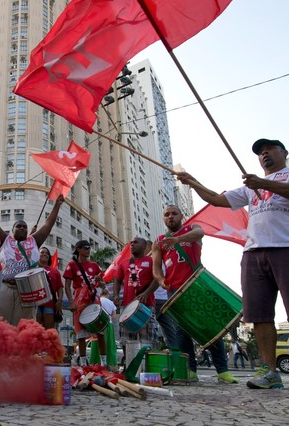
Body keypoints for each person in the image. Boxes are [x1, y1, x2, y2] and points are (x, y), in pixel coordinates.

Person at [176, 138, 288, 389]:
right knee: (259, 315)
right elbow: (217, 200)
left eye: (269, 149)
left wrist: (263, 183)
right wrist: (193, 183)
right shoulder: (250, 188)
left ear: (284, 152)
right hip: (254, 253)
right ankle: (271, 372)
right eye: (260, 152)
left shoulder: (283, 176)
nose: (264, 154)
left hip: (285, 248)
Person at [152, 205, 237, 384]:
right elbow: (156, 266)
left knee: (210, 327)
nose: (170, 217)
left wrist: (177, 239)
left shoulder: (192, 229)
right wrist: (160, 280)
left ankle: (223, 371)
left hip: (197, 285)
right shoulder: (159, 240)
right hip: (174, 291)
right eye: (166, 214)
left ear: (181, 216)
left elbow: (200, 233)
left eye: (174, 214)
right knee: (181, 331)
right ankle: (190, 370)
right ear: (163, 219)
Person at [0, 195, 64, 326]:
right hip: (5, 287)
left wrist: (57, 206)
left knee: (21, 326)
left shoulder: (34, 241)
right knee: (1, 323)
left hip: (26, 291)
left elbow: (48, 225)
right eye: (19, 226)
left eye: (24, 227)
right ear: (12, 230)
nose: (22, 228)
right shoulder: (5, 240)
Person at [64, 239, 105, 366]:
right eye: (86, 247)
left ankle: (104, 363)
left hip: (93, 298)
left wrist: (100, 281)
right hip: (79, 299)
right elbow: (67, 285)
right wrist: (71, 302)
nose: (88, 250)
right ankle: (83, 364)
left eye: (89, 247)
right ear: (78, 249)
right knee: (80, 333)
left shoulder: (95, 265)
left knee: (100, 330)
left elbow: (103, 285)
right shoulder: (72, 264)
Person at [113, 237, 159, 352]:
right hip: (127, 306)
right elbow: (117, 280)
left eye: (136, 243)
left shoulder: (151, 261)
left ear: (144, 246)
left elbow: (157, 279)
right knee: (127, 340)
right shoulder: (124, 263)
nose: (132, 245)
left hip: (146, 306)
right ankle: (129, 365)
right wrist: (116, 295)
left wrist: (146, 293)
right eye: (131, 243)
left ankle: (146, 367)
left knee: (147, 339)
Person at [35, 247, 64, 330]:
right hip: (36, 304)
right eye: (42, 252)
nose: (44, 254)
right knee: (35, 331)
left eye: (47, 253)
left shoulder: (55, 271)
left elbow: (60, 287)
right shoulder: (33, 269)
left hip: (50, 305)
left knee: (49, 331)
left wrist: (59, 300)